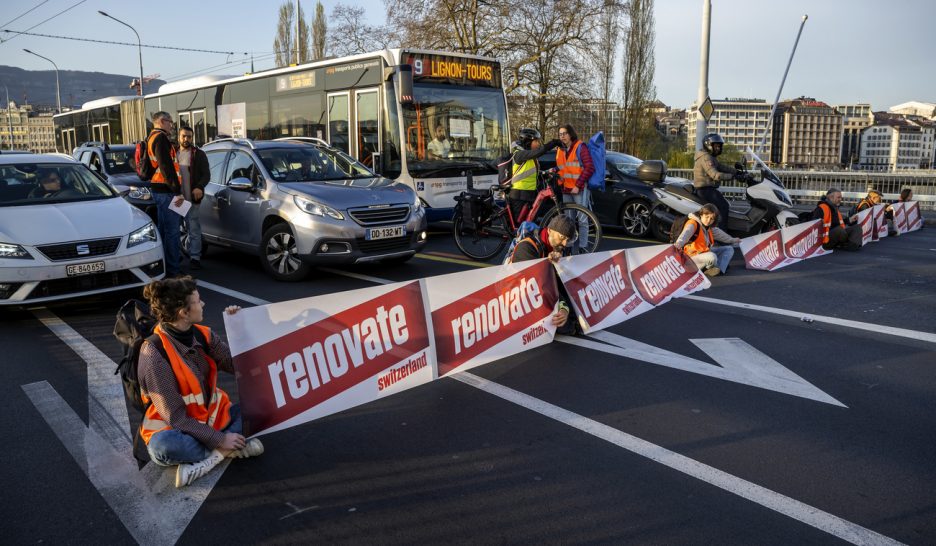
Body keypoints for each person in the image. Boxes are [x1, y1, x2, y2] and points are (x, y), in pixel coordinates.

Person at [138, 276, 264, 488]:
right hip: (174, 429)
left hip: (212, 419)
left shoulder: (204, 335)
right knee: (163, 448)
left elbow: (236, 366)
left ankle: (211, 458)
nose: (203, 304)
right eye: (198, 301)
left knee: (262, 407)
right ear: (183, 313)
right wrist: (221, 440)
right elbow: (176, 418)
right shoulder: (154, 355)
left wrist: (239, 330)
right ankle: (230, 447)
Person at [507, 214, 578, 332]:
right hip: (514, 296)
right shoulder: (527, 247)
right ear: (549, 230)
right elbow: (540, 284)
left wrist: (557, 264)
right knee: (563, 324)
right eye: (562, 237)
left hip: (535, 289)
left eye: (568, 240)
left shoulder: (555, 246)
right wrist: (564, 308)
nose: (565, 243)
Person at [147, 111, 185, 277]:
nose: (172, 125)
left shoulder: (152, 137)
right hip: (167, 191)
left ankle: (167, 269)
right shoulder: (161, 138)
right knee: (172, 231)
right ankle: (174, 271)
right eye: (170, 122)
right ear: (162, 121)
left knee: (165, 231)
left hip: (161, 190)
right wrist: (178, 191)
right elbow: (166, 167)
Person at [505, 128, 559, 221]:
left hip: (529, 193)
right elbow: (539, 152)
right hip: (519, 195)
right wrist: (553, 143)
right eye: (536, 141)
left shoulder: (531, 157)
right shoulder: (520, 154)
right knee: (519, 225)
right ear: (528, 142)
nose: (538, 144)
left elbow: (529, 172)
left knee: (529, 222)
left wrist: (543, 173)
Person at [673, 204, 741, 277]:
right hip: (690, 259)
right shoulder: (693, 224)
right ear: (701, 215)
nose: (708, 220)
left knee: (729, 249)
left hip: (704, 254)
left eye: (711, 219)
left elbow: (721, 235)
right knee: (712, 257)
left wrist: (734, 240)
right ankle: (710, 268)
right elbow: (684, 236)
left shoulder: (708, 227)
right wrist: (677, 245)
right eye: (707, 217)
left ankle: (718, 269)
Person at [556, 125, 594, 253]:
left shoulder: (580, 147)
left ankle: (583, 247)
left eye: (565, 133)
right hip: (566, 190)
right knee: (569, 222)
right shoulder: (560, 150)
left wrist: (578, 185)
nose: (562, 136)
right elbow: (562, 169)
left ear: (571, 134)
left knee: (582, 220)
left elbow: (589, 168)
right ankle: (570, 247)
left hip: (579, 189)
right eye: (560, 134)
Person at [177, 126, 210, 270]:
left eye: (189, 136)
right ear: (179, 137)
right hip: (178, 198)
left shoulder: (198, 154)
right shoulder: (173, 153)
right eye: (184, 136)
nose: (186, 139)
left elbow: (206, 175)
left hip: (192, 199)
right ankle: (176, 255)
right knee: (174, 229)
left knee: (194, 229)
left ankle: (195, 258)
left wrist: (200, 187)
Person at [693, 133, 736, 229]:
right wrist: (732, 177)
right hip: (705, 190)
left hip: (708, 189)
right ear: (709, 145)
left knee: (723, 205)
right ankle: (722, 233)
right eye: (716, 146)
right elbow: (715, 175)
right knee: (723, 207)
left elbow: (722, 167)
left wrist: (736, 171)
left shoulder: (711, 157)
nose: (718, 148)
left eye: (719, 146)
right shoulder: (706, 158)